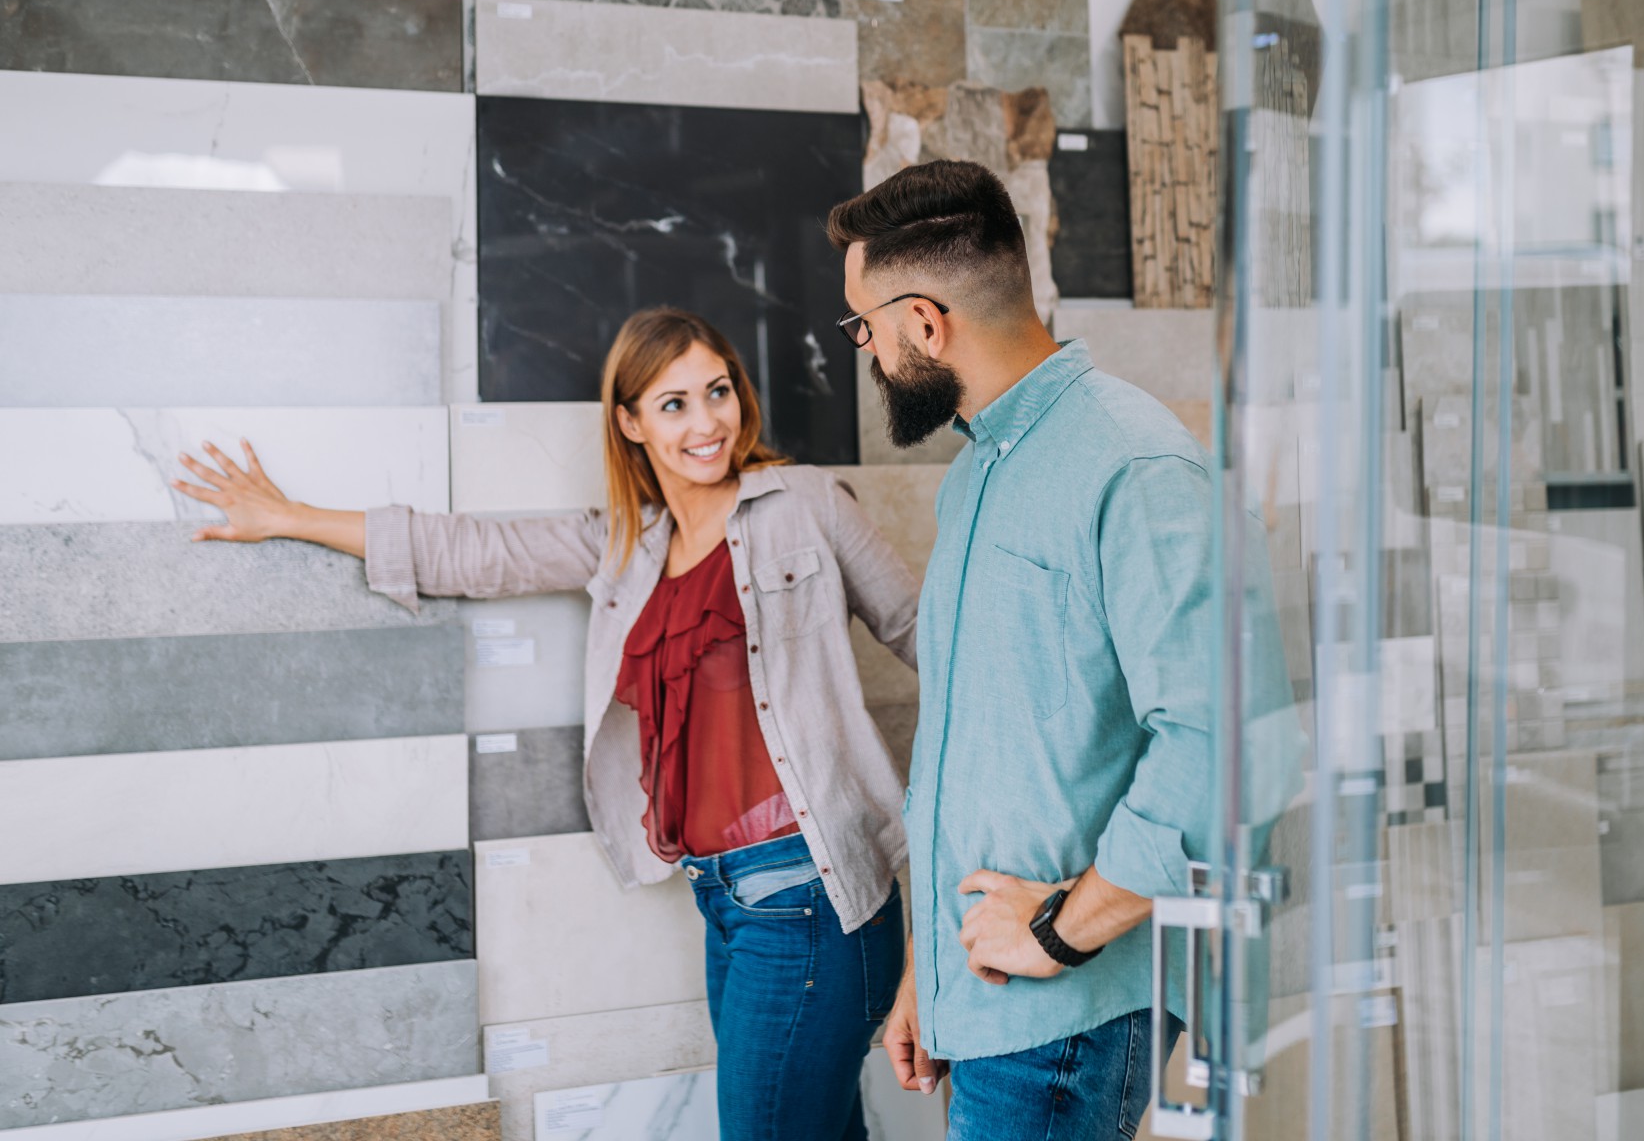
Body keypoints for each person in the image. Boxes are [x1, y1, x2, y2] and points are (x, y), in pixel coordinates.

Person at [173, 307, 919, 1141]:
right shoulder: (630, 548)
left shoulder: (807, 502)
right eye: (673, 404)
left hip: (813, 897)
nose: (707, 422)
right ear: (630, 423)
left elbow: (929, 634)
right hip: (725, 899)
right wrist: (289, 516)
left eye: (718, 392)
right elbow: (469, 551)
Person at [831, 160, 1215, 1139]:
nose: (863, 349)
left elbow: (1216, 746)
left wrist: (1057, 930)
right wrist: (931, 969)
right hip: (989, 998)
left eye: (863, 326)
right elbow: (978, 759)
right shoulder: (973, 478)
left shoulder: (1136, 465)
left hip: (1071, 1012)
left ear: (925, 321)